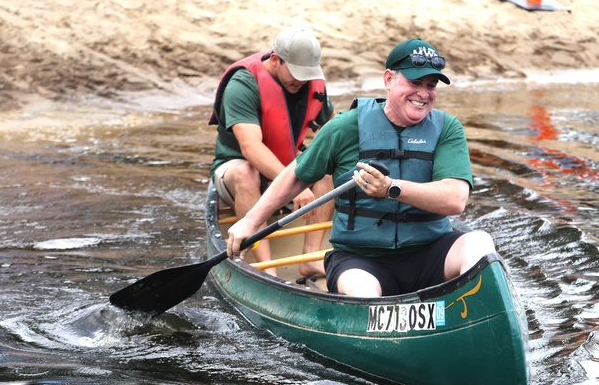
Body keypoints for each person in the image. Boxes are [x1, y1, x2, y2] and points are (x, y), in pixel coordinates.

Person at [224, 38, 496, 297]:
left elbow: (455, 200)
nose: (423, 94)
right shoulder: (345, 127)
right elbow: (296, 176)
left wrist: (391, 189)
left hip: (429, 252)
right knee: (363, 291)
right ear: (389, 79)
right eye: (415, 82)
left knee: (479, 243)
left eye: (431, 85)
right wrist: (250, 221)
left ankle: (483, 315)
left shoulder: (447, 128)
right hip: (362, 260)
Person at [209, 26, 335, 276]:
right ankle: (266, 270)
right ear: (275, 60)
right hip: (236, 167)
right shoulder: (243, 83)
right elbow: (250, 148)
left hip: (287, 160)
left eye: (307, 74)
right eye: (297, 73)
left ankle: (309, 258)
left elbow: (332, 130)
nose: (301, 80)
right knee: (247, 173)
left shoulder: (310, 84)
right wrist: (291, 181)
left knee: (327, 170)